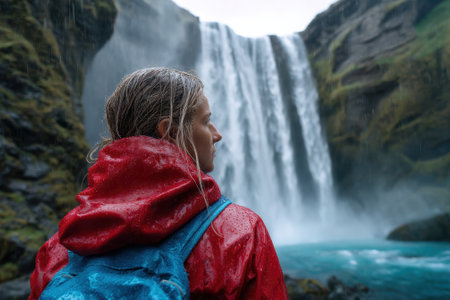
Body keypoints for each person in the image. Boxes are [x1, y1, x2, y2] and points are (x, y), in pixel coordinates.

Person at [29, 68, 288, 299]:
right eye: (206, 121)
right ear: (171, 131)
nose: (217, 134)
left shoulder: (61, 247)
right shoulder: (241, 234)